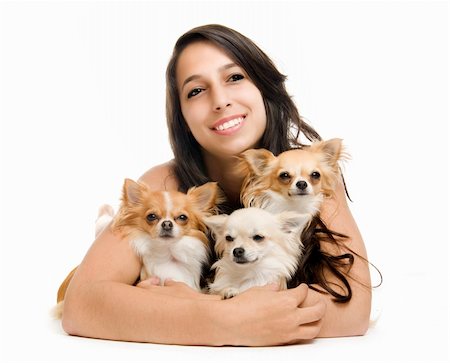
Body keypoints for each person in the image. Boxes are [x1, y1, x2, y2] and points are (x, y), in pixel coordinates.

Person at [60, 24, 372, 346]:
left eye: (235, 77)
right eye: (196, 91)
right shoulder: (164, 186)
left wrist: (175, 309)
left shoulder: (309, 175)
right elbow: (81, 305)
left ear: (264, 87)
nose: (220, 101)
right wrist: (225, 319)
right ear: (182, 117)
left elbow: (353, 312)